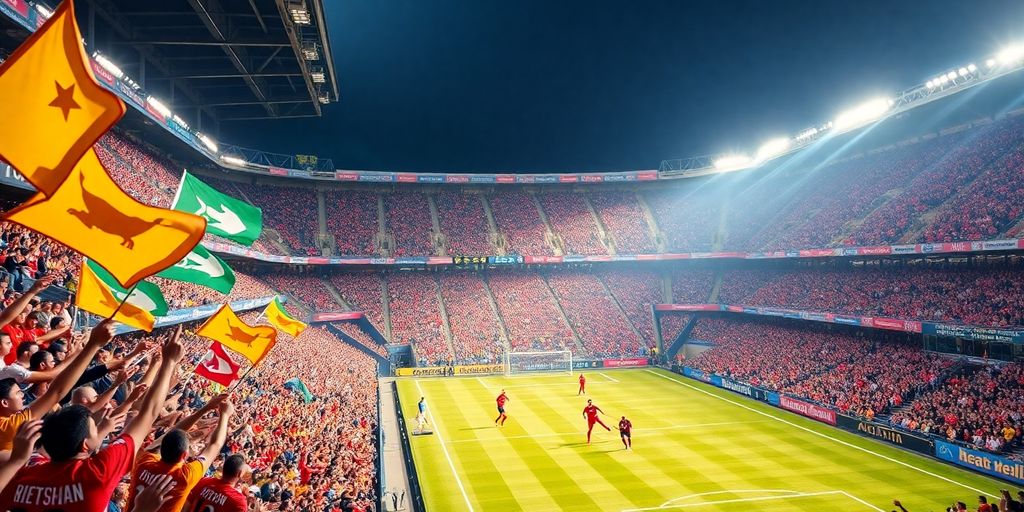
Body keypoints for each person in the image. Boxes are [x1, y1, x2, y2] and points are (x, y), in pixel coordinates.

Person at [126, 394, 234, 512]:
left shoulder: (145, 461)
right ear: (184, 455)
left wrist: (206, 408)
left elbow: (170, 435)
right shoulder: (185, 477)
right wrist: (225, 415)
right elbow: (215, 445)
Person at [184, 454, 249, 512]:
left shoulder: (203, 482)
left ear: (223, 467)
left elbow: (185, 507)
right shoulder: (239, 501)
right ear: (240, 474)